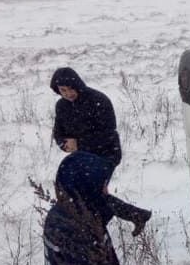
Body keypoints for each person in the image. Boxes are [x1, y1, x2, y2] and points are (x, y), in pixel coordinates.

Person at [49, 67, 151, 234]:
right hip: (80, 158)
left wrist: (79, 144)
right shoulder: (61, 106)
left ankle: (96, 230)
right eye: (62, 90)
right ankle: (133, 216)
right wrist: (64, 144)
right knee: (84, 194)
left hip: (106, 154)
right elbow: (58, 133)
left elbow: (107, 135)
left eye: (70, 89)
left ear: (77, 84)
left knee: (94, 194)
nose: (67, 93)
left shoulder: (98, 100)